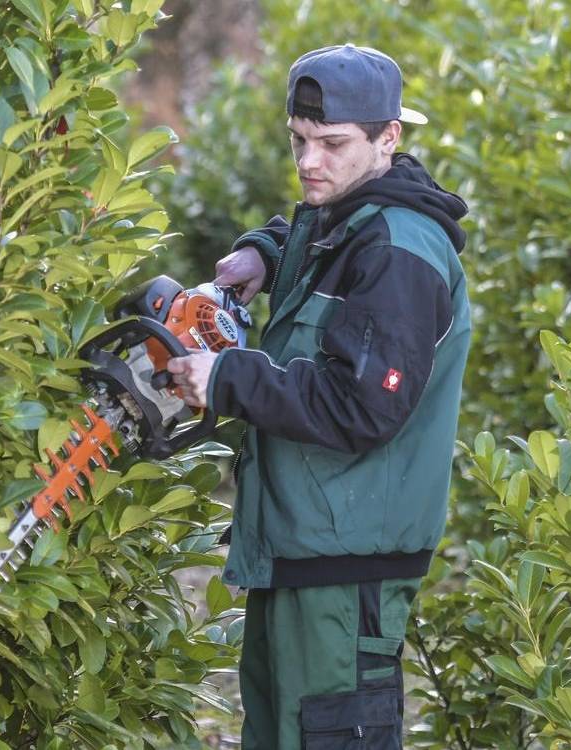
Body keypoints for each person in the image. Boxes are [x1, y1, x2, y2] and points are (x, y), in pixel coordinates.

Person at [167, 43, 471, 749]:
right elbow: (319, 239)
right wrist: (263, 254)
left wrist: (228, 378)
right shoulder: (348, 210)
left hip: (345, 573)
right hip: (302, 549)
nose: (310, 162)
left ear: (388, 138)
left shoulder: (401, 251)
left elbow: (362, 405)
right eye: (300, 141)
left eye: (332, 144)